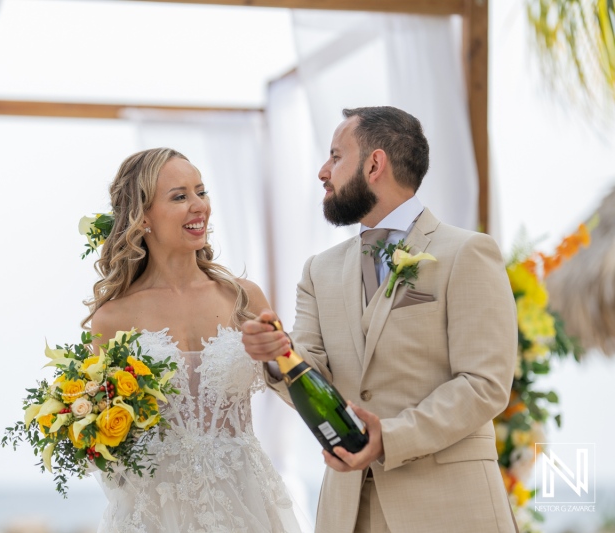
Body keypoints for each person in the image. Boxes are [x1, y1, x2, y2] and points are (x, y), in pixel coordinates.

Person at [242, 106, 518, 533]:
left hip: (449, 509)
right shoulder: (319, 270)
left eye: (335, 156)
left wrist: (389, 437)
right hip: (347, 512)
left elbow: (485, 384)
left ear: (374, 163)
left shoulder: (468, 253)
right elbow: (310, 369)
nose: (322, 171)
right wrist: (277, 355)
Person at [86, 147, 302, 533]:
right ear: (143, 216)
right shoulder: (112, 319)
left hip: (247, 500)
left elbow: (295, 387)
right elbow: (101, 441)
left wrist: (278, 355)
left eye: (201, 192)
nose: (199, 206)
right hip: (156, 509)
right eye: (180, 196)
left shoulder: (243, 297)